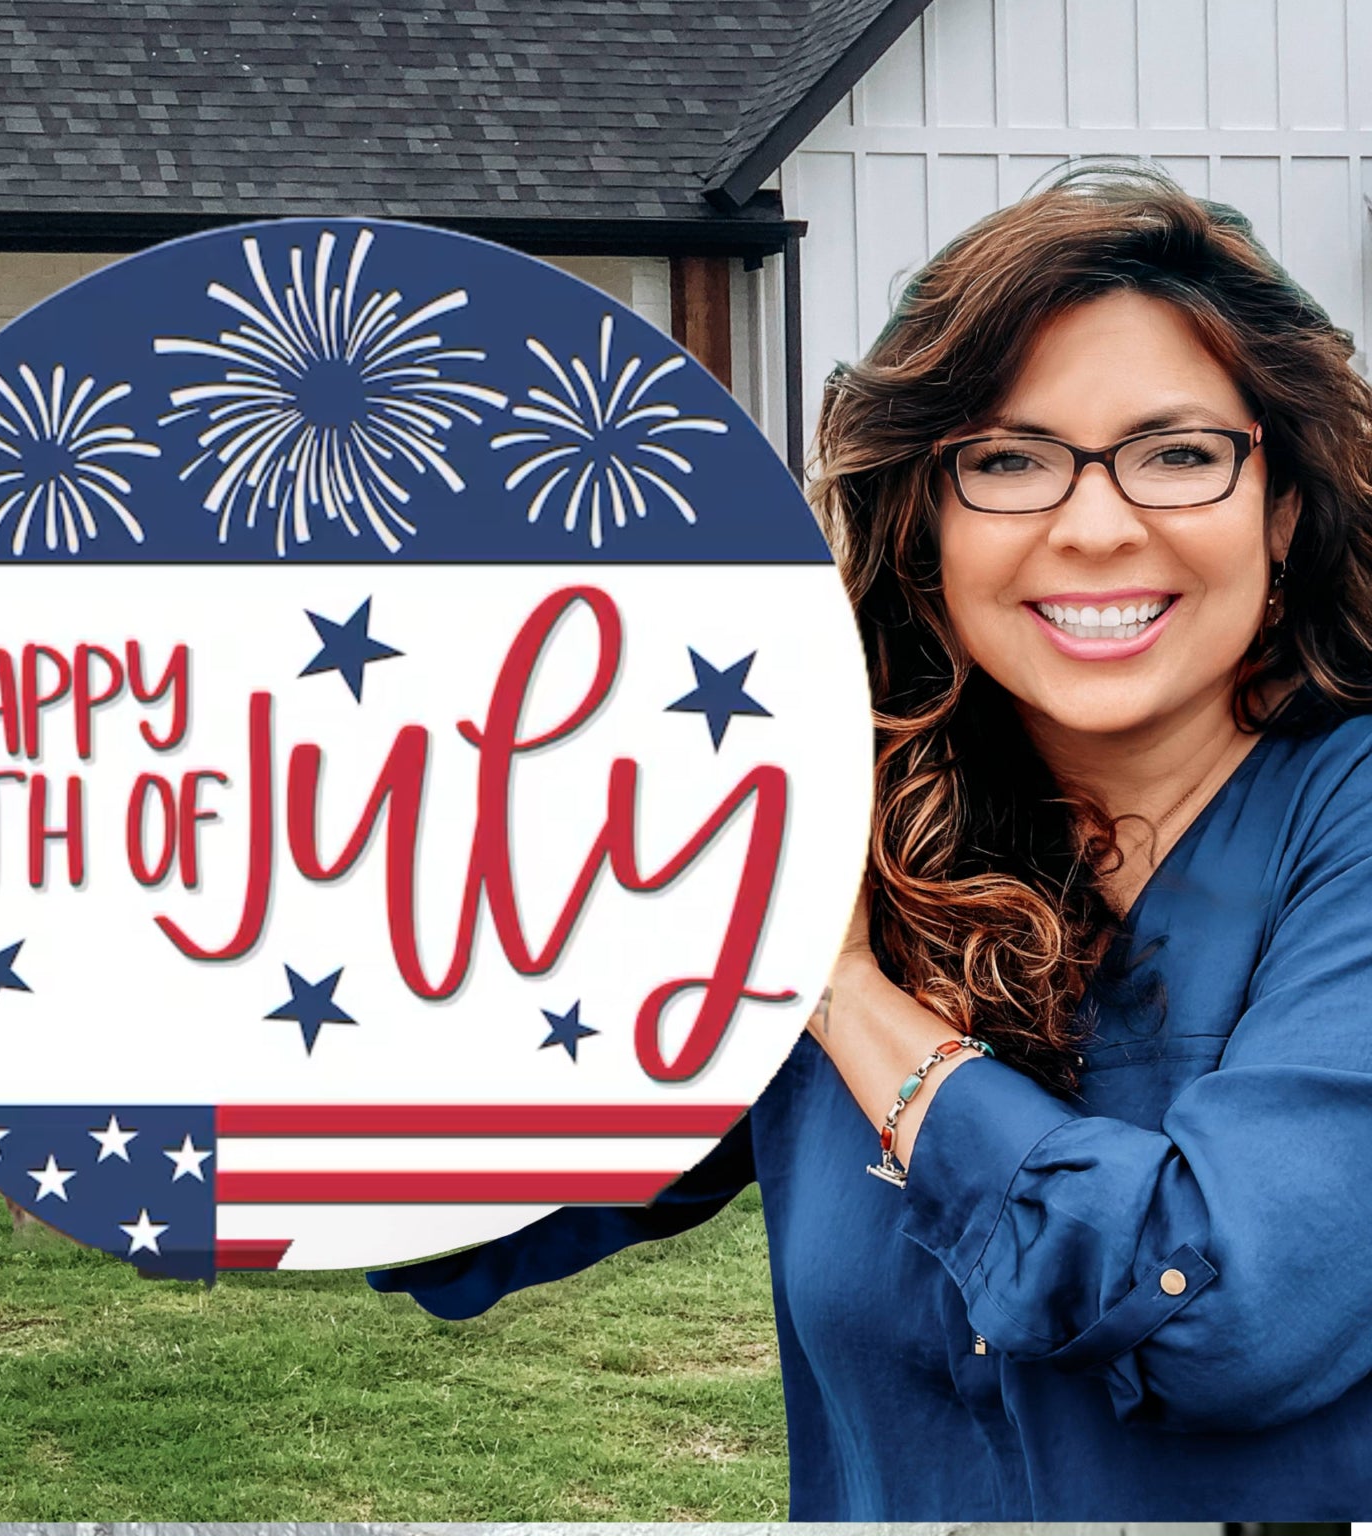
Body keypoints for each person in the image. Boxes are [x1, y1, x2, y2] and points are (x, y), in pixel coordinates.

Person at [367, 165, 1372, 1519]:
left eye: (1178, 453)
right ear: (927, 520)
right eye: (1007, 461)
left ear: (1286, 503)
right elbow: (489, 1180)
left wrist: (841, 992)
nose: (1093, 524)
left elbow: (1227, 1310)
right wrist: (159, 1083)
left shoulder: (1342, 827)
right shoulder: (852, 818)